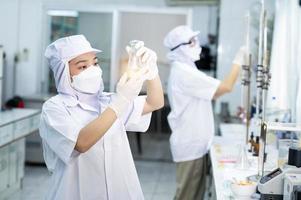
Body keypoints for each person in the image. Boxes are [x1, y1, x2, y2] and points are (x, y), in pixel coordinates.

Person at [39, 35, 164, 200]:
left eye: (95, 63)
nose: (92, 70)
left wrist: (152, 72)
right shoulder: (54, 108)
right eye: (83, 66)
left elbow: (155, 103)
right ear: (63, 73)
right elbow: (81, 143)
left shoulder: (108, 100)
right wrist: (121, 102)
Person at [163, 25, 247, 200]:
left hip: (194, 143)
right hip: (190, 144)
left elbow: (215, 92)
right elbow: (225, 87)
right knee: (188, 196)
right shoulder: (184, 72)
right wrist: (238, 61)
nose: (198, 45)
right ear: (181, 48)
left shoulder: (187, 69)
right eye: (192, 41)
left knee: (194, 195)